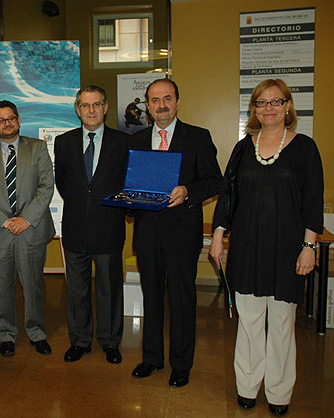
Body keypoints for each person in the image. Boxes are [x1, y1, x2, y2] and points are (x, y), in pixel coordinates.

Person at [210, 79, 323, 417]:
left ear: (288, 106)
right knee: (249, 323)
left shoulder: (304, 148)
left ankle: (278, 392)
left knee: (281, 326)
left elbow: (313, 201)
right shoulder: (244, 148)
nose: (269, 108)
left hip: (288, 250)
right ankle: (247, 387)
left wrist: (309, 246)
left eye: (276, 102)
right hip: (246, 248)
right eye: (262, 103)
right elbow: (227, 194)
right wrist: (218, 234)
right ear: (254, 109)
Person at [130, 78, 222, 387]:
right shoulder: (138, 140)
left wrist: (188, 190)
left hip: (182, 231)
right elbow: (130, 185)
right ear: (148, 106)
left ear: (178, 101)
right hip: (147, 232)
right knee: (151, 296)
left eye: (167, 98)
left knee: (183, 299)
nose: (161, 105)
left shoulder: (197, 137)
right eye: (154, 100)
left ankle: (181, 363)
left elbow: (214, 181)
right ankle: (152, 358)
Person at [54, 85, 129, 365]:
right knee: (77, 289)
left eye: (97, 104)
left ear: (106, 107)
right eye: (86, 105)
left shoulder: (122, 142)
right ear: (77, 110)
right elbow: (64, 182)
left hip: (109, 227)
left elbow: (125, 181)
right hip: (75, 227)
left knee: (110, 288)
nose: (91, 110)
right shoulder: (64, 142)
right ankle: (80, 341)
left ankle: (110, 342)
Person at [0, 101, 55, 358]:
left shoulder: (38, 148)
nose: (6, 123)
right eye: (0, 120)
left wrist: (26, 219)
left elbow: (46, 186)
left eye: (10, 118)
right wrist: (2, 220)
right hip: (0, 230)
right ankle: (7, 334)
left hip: (32, 229)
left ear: (18, 120)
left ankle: (37, 332)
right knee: (2, 286)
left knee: (33, 285)